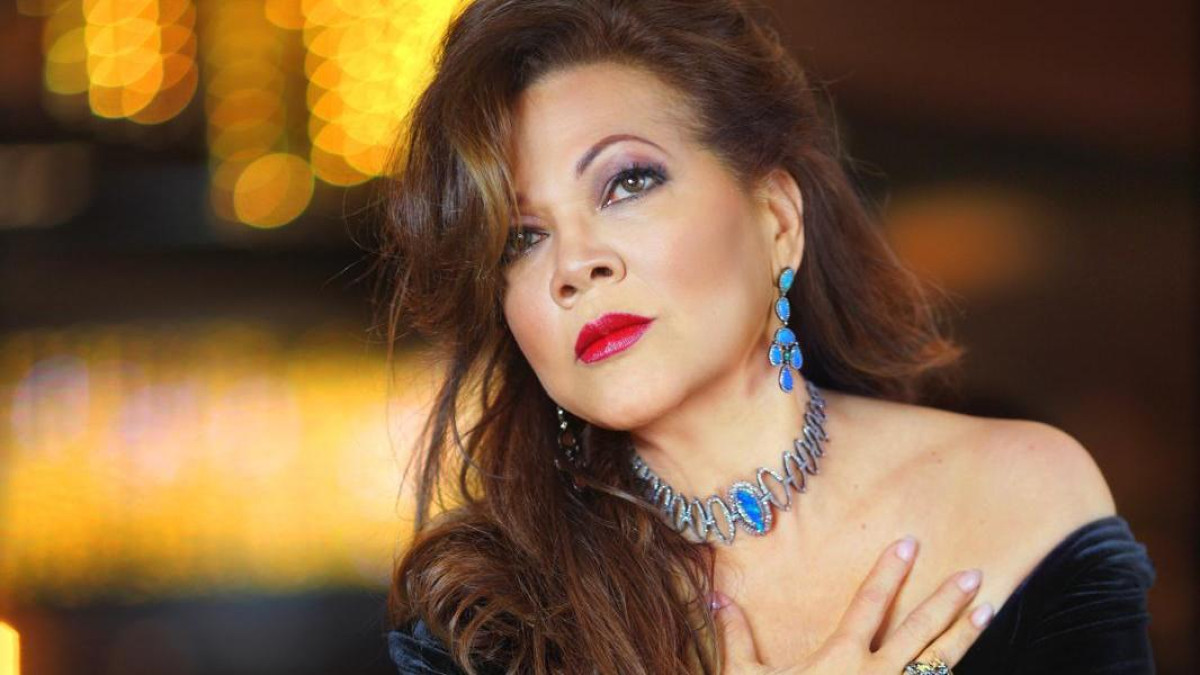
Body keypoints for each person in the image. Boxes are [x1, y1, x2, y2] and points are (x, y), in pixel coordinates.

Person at [374, 1, 1157, 673]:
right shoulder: (485, 615)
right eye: (521, 238)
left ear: (777, 218)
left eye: (627, 182)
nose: (575, 265)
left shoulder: (1017, 495)